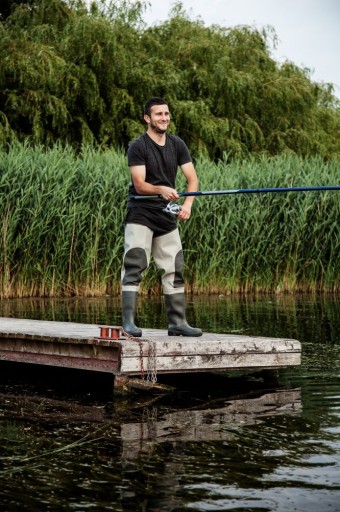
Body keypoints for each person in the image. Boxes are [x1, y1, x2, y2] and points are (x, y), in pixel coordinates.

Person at [121, 97, 202, 337]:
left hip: (166, 215)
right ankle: (128, 324)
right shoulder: (138, 146)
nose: (164, 118)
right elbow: (139, 184)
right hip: (141, 213)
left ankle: (177, 323)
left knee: (174, 268)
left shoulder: (177, 145)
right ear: (147, 118)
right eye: (158, 114)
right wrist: (161, 189)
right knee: (135, 264)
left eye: (166, 114)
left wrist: (187, 204)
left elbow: (192, 179)